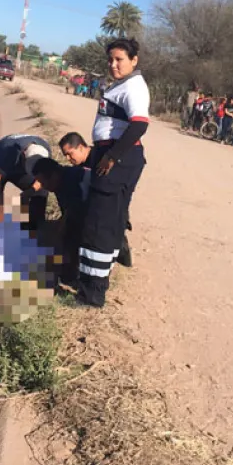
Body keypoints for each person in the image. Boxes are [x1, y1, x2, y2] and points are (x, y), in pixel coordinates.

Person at [77, 37, 149, 307]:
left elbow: (139, 125)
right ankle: (113, 257)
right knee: (109, 218)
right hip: (110, 154)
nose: (113, 64)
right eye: (110, 59)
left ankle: (91, 296)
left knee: (99, 224)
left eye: (119, 59)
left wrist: (111, 157)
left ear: (134, 60)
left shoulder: (134, 87)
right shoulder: (121, 84)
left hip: (118, 157)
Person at [58, 131, 133, 268]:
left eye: (70, 153)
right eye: (65, 155)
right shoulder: (80, 165)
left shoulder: (99, 160)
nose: (68, 158)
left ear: (81, 147)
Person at [0, 134, 51, 255]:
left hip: (21, 167)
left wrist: (28, 193)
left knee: (41, 193)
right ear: (24, 155)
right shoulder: (9, 152)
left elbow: (43, 180)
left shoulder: (45, 150)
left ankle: (32, 235)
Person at [32, 157, 90, 286]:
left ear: (53, 175)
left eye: (43, 182)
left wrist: (59, 232)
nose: (43, 187)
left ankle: (71, 276)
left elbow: (74, 214)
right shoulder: (60, 181)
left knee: (69, 234)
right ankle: (66, 272)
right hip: (84, 211)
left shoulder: (72, 181)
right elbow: (67, 211)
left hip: (101, 213)